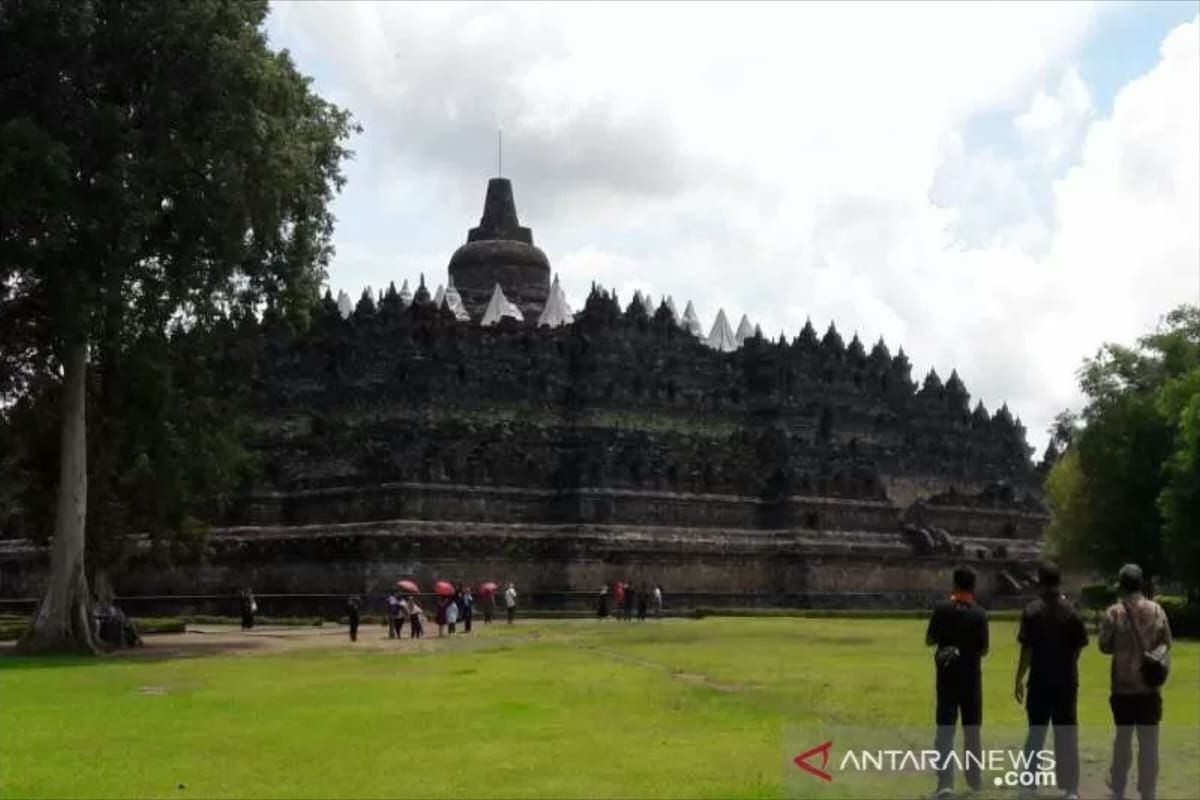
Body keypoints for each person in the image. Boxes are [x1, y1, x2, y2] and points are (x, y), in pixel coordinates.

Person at [1014, 561, 1087, 799]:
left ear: (1040, 581)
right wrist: (1068, 664)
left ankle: (1030, 783)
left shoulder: (1032, 611)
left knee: (1035, 732)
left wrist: (1019, 678)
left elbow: (1027, 650)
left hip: (1040, 680)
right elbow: (1079, 647)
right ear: (1059, 581)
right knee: (1066, 733)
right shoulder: (1071, 610)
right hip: (1066, 681)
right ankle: (1070, 787)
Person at [1099, 564, 1172, 800]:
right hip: (1150, 688)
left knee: (1123, 740)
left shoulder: (1114, 613)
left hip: (1123, 688)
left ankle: (1119, 787)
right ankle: (1148, 790)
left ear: (1122, 585)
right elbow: (1167, 642)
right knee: (1149, 743)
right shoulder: (1157, 610)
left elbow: (1104, 645)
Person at [926, 566, 989, 799]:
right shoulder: (980, 614)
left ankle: (945, 782)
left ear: (954, 584)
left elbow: (929, 640)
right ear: (973, 586)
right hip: (971, 678)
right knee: (972, 729)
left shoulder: (942, 609)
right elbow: (984, 650)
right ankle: (974, 779)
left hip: (947, 676)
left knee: (945, 729)